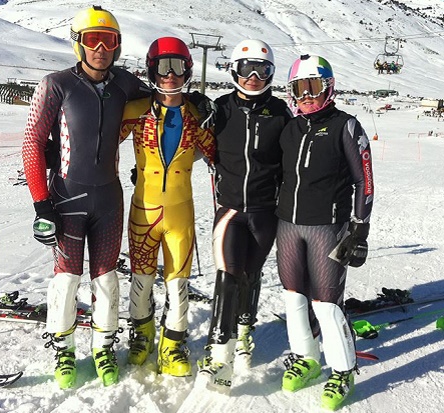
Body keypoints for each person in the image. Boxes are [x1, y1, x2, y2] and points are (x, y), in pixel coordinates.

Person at [21, 6, 151, 389]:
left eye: (108, 40)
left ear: (117, 45)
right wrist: (41, 203)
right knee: (66, 279)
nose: (100, 48)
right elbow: (31, 142)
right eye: (92, 40)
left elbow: (162, 105)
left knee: (106, 278)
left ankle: (103, 347)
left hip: (109, 197)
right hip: (66, 197)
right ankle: (63, 351)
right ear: (78, 44)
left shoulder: (125, 84)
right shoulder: (56, 84)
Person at [275, 54, 374, 411]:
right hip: (287, 225)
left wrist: (359, 228)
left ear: (328, 87)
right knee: (293, 298)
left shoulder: (346, 126)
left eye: (313, 86)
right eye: (299, 89)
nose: (306, 95)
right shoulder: (289, 128)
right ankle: (307, 358)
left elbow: (364, 179)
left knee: (326, 305)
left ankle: (343, 370)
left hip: (328, 228)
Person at [195, 39, 292, 393]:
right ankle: (220, 351)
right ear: (234, 70)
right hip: (231, 211)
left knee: (251, 274)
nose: (254, 77)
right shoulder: (220, 109)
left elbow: (295, 162)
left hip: (266, 212)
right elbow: (193, 142)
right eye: (247, 69)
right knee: (228, 275)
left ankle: (244, 334)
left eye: (262, 70)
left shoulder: (281, 113)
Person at [119, 36, 216, 378]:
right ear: (151, 70)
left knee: (178, 283)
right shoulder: (136, 110)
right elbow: (96, 138)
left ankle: (173, 343)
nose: (170, 75)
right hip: (143, 210)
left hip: (180, 213)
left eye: (177, 67)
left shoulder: (196, 115)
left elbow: (223, 154)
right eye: (163, 67)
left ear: (188, 69)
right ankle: (141, 334)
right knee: (141, 279)